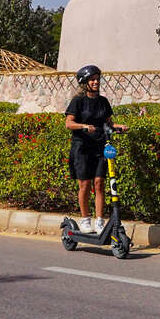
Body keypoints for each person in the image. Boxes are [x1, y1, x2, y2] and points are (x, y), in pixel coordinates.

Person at [63, 64, 126, 234]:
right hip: (82, 148)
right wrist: (84, 126)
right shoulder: (78, 101)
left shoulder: (103, 101)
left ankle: (99, 221)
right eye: (92, 79)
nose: (96, 82)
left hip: (100, 147)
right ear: (85, 82)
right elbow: (69, 123)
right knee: (85, 185)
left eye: (97, 79)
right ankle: (85, 220)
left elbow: (109, 123)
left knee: (99, 184)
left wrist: (119, 127)